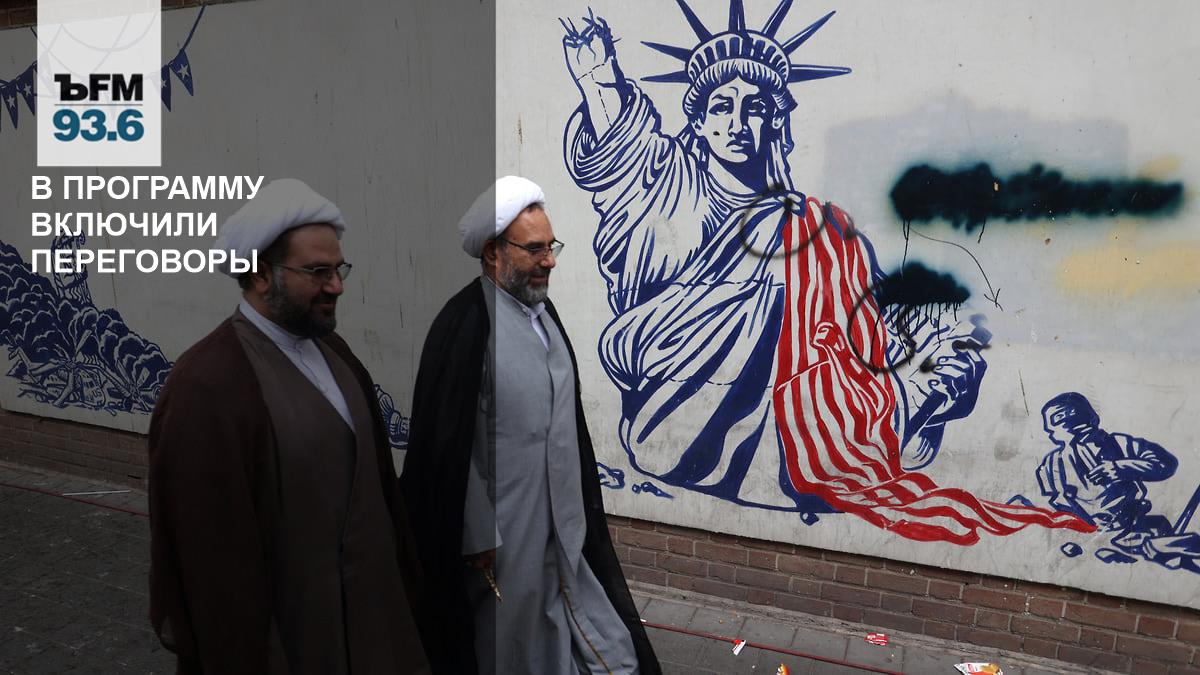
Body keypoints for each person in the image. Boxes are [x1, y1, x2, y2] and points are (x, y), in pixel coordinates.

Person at [558, 4, 1093, 544]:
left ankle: (899, 412)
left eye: (755, 108)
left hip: (810, 406)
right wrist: (599, 80)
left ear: (776, 121)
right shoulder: (669, 188)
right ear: (698, 121)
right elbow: (623, 152)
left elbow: (867, 322)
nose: (738, 124)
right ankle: (889, 414)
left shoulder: (823, 228)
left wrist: (932, 344)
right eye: (721, 106)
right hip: (670, 396)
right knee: (780, 274)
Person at [148, 179, 430, 674]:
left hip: (374, 631)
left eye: (339, 269)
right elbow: (209, 566)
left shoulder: (335, 353)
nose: (336, 286)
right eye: (318, 272)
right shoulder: (206, 386)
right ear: (261, 274)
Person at [400, 176, 659, 674]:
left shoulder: (543, 315)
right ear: (493, 253)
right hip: (504, 533)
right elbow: (446, 443)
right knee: (510, 641)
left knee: (594, 634)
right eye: (535, 249)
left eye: (551, 247)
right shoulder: (465, 324)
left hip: (561, 522)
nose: (549, 261)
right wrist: (477, 532)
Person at [1037, 392, 1177, 536]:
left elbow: (1165, 464)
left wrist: (1121, 468)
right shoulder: (1051, 464)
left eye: (1055, 419)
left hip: (1132, 525)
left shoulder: (1118, 443)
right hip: (1087, 534)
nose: (1048, 429)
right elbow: (1055, 503)